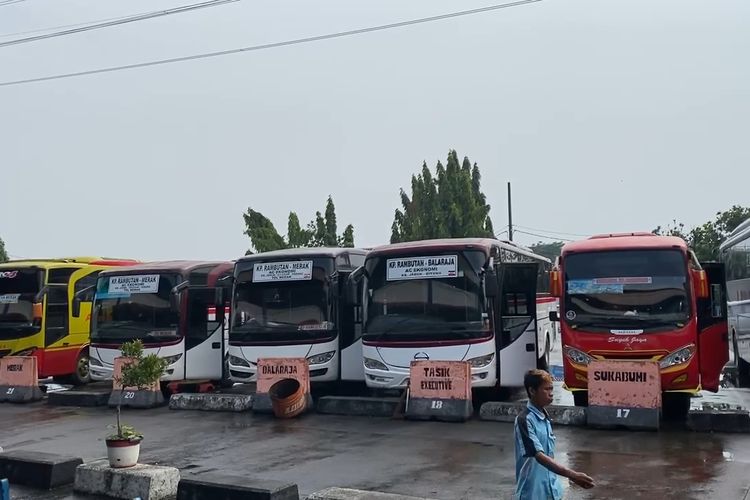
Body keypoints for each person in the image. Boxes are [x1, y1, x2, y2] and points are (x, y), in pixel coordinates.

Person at [514, 369, 595, 499]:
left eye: (551, 389)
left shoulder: (545, 417)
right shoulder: (525, 420)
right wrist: (572, 474)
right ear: (532, 391)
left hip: (551, 490)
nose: (551, 394)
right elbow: (538, 455)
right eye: (546, 389)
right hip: (532, 492)